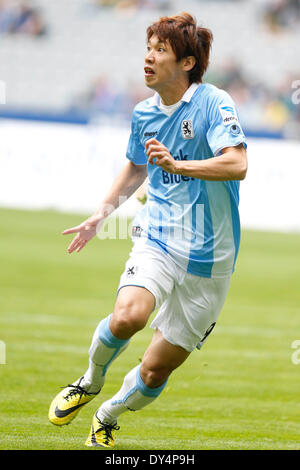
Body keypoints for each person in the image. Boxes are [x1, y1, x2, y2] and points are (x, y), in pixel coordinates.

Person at [48, 12, 248, 448]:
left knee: (157, 370)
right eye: (149, 47)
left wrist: (179, 165)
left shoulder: (214, 103)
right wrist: (101, 213)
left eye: (161, 49)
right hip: (158, 237)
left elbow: (238, 164)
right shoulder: (143, 113)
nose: (148, 57)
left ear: (188, 63)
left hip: (212, 258)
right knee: (128, 317)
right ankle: (88, 383)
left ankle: (107, 415)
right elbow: (137, 165)